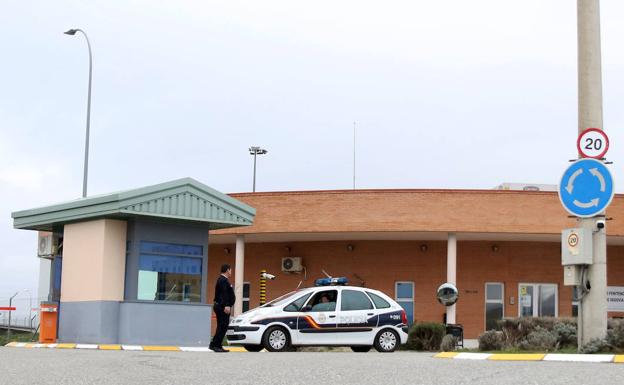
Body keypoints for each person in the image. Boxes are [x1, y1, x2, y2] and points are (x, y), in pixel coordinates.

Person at [210, 264, 236, 352]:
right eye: (231, 270)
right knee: (222, 326)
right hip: (222, 307)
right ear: (227, 270)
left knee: (222, 326)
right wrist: (227, 305)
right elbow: (224, 294)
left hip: (222, 306)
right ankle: (216, 345)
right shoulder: (223, 280)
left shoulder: (223, 280)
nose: (231, 272)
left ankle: (215, 345)